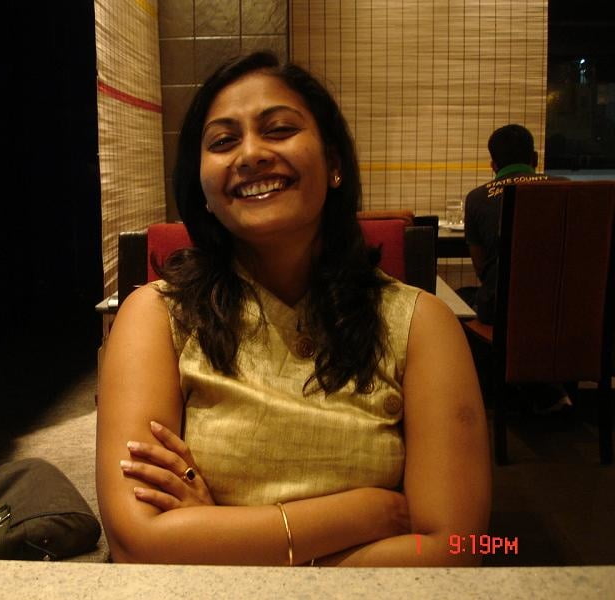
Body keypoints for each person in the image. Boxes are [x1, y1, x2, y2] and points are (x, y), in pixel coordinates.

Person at [96, 52, 490, 567]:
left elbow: (457, 550)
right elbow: (137, 543)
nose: (250, 154)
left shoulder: (420, 325)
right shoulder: (156, 316)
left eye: (279, 130)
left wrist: (220, 540)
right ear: (203, 189)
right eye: (223, 141)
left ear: (334, 164)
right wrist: (364, 514)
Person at [462, 124, 571, 414]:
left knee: (465, 302)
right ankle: (543, 387)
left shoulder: (477, 198)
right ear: (534, 159)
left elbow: (481, 267)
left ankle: (504, 391)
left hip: (506, 309)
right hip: (567, 307)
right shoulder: (567, 189)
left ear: (493, 165)